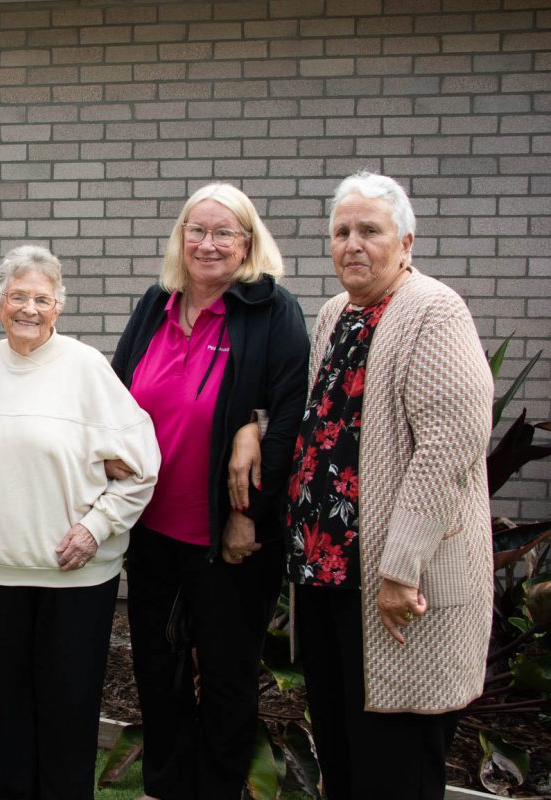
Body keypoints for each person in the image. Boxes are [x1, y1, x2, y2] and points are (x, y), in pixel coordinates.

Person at [249, 172, 493, 799]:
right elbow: (320, 418)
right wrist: (255, 430)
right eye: (341, 232)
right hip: (332, 580)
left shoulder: (433, 310)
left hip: (398, 590)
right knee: (344, 752)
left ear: (406, 242)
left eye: (370, 231)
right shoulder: (337, 314)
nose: (352, 244)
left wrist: (400, 569)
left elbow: (448, 447)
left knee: (396, 766)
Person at [110, 184, 310, 799]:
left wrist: (248, 516)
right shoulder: (156, 303)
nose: (208, 243)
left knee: (225, 675)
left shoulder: (271, 310)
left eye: (224, 232)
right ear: (180, 237)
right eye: (197, 230)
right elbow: (116, 392)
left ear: (247, 242)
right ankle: (163, 786)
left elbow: (287, 418)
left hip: (228, 533)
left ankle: (220, 789)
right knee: (156, 665)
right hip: (151, 528)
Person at [0, 245, 159, 799]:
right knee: (12, 715)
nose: (29, 308)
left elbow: (143, 465)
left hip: (75, 576)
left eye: (41, 298)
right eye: (18, 296)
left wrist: (97, 526)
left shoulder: (86, 369)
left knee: (69, 715)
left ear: (59, 308)